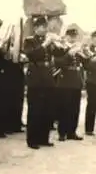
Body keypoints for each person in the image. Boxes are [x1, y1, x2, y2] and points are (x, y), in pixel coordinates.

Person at [23, 16, 57, 149]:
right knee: (35, 110)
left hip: (48, 77)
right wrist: (45, 44)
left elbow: (59, 53)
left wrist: (57, 43)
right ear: (36, 28)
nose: (45, 29)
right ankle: (32, 140)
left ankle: (44, 138)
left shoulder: (48, 41)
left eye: (46, 27)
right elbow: (31, 55)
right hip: (36, 77)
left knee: (47, 109)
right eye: (42, 27)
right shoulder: (29, 41)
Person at [54, 28, 85, 141]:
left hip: (76, 81)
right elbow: (58, 62)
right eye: (71, 36)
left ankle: (72, 132)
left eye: (75, 36)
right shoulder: (60, 48)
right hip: (64, 81)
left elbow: (85, 63)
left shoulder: (78, 48)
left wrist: (83, 51)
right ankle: (62, 133)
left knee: (74, 109)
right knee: (64, 108)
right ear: (66, 36)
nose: (73, 38)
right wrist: (69, 53)